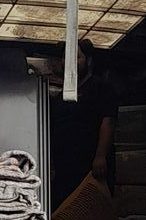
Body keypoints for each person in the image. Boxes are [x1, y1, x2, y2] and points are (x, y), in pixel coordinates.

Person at [49, 38, 119, 202]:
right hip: (65, 170)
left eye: (77, 57)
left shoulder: (101, 88)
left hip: (91, 169)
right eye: (66, 58)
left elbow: (108, 122)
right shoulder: (61, 97)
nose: (70, 63)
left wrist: (100, 156)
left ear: (89, 60)